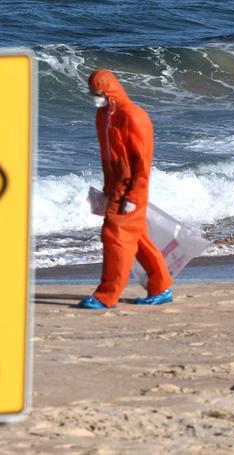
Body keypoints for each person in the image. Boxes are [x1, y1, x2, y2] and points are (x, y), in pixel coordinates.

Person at [78, 69, 173, 309]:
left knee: (115, 237)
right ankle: (161, 286)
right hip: (115, 188)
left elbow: (143, 160)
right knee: (138, 238)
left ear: (109, 91)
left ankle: (106, 295)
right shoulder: (103, 116)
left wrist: (135, 194)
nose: (95, 98)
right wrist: (107, 189)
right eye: (92, 93)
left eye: (98, 93)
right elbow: (108, 157)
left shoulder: (132, 115)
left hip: (131, 189)